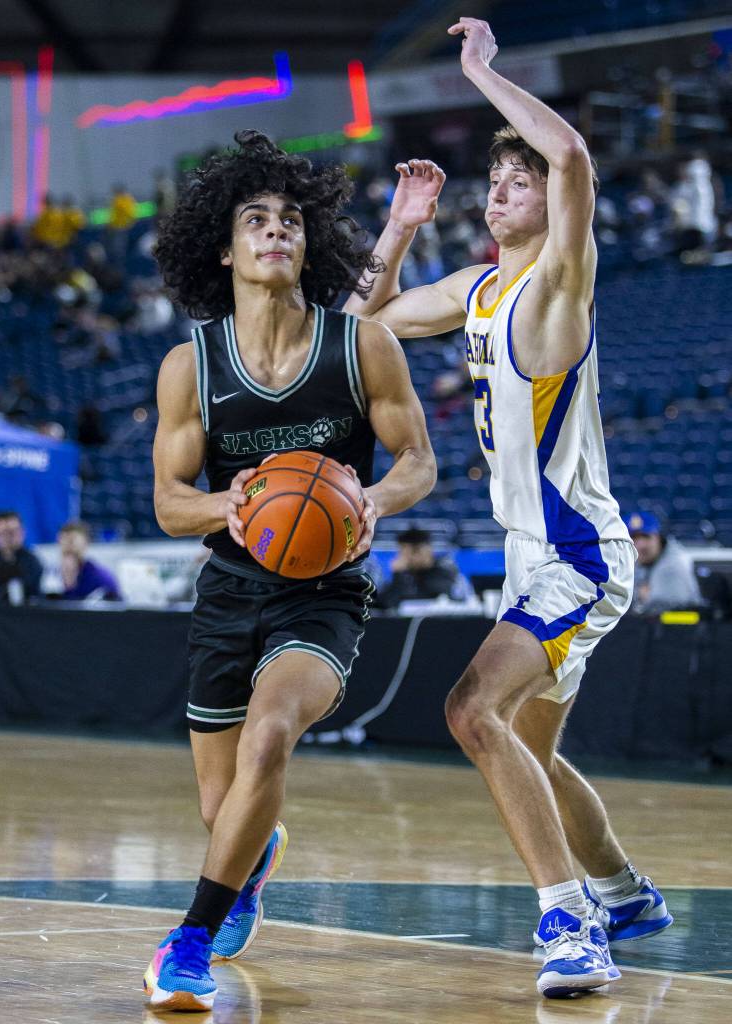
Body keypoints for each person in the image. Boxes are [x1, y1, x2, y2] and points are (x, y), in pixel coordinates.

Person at [344, 17, 671, 999]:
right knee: (528, 750)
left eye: (516, 182)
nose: (498, 192)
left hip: (577, 553)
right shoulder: (477, 287)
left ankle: (569, 923)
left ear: (551, 203)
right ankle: (623, 889)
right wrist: (400, 224)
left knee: (468, 709)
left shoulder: (559, 284)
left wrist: (480, 72)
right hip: (531, 555)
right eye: (493, 182)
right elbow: (365, 322)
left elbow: (569, 153)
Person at [145, 130, 436, 1011]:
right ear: (224, 248)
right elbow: (167, 501)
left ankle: (185, 941)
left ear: (309, 245)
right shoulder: (189, 366)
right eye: (256, 220)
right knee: (222, 806)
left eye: (291, 222)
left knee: (272, 733)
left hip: (326, 592)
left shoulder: (360, 347)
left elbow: (419, 460)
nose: (277, 232)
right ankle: (254, 854)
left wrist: (370, 504)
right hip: (231, 590)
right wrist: (229, 508)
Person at [625, 511, 703, 613]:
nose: (641, 545)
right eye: (634, 538)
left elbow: (666, 605)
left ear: (659, 537)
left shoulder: (673, 563)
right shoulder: (638, 559)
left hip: (685, 624)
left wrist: (644, 597)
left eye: (646, 536)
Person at [377, 526, 473, 609]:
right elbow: (384, 603)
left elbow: (432, 595)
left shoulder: (444, 568)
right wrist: (397, 575)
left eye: (414, 551)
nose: (406, 558)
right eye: (402, 552)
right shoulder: (404, 574)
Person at [57, 521, 121, 601]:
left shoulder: (100, 578)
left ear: (86, 543)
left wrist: (71, 584)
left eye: (71, 541)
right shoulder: (53, 576)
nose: (66, 546)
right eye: (62, 540)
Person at [0, 510, 43, 604]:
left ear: (22, 532)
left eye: (13, 532)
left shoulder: (32, 562)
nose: (9, 537)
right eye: (4, 532)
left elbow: (32, 591)